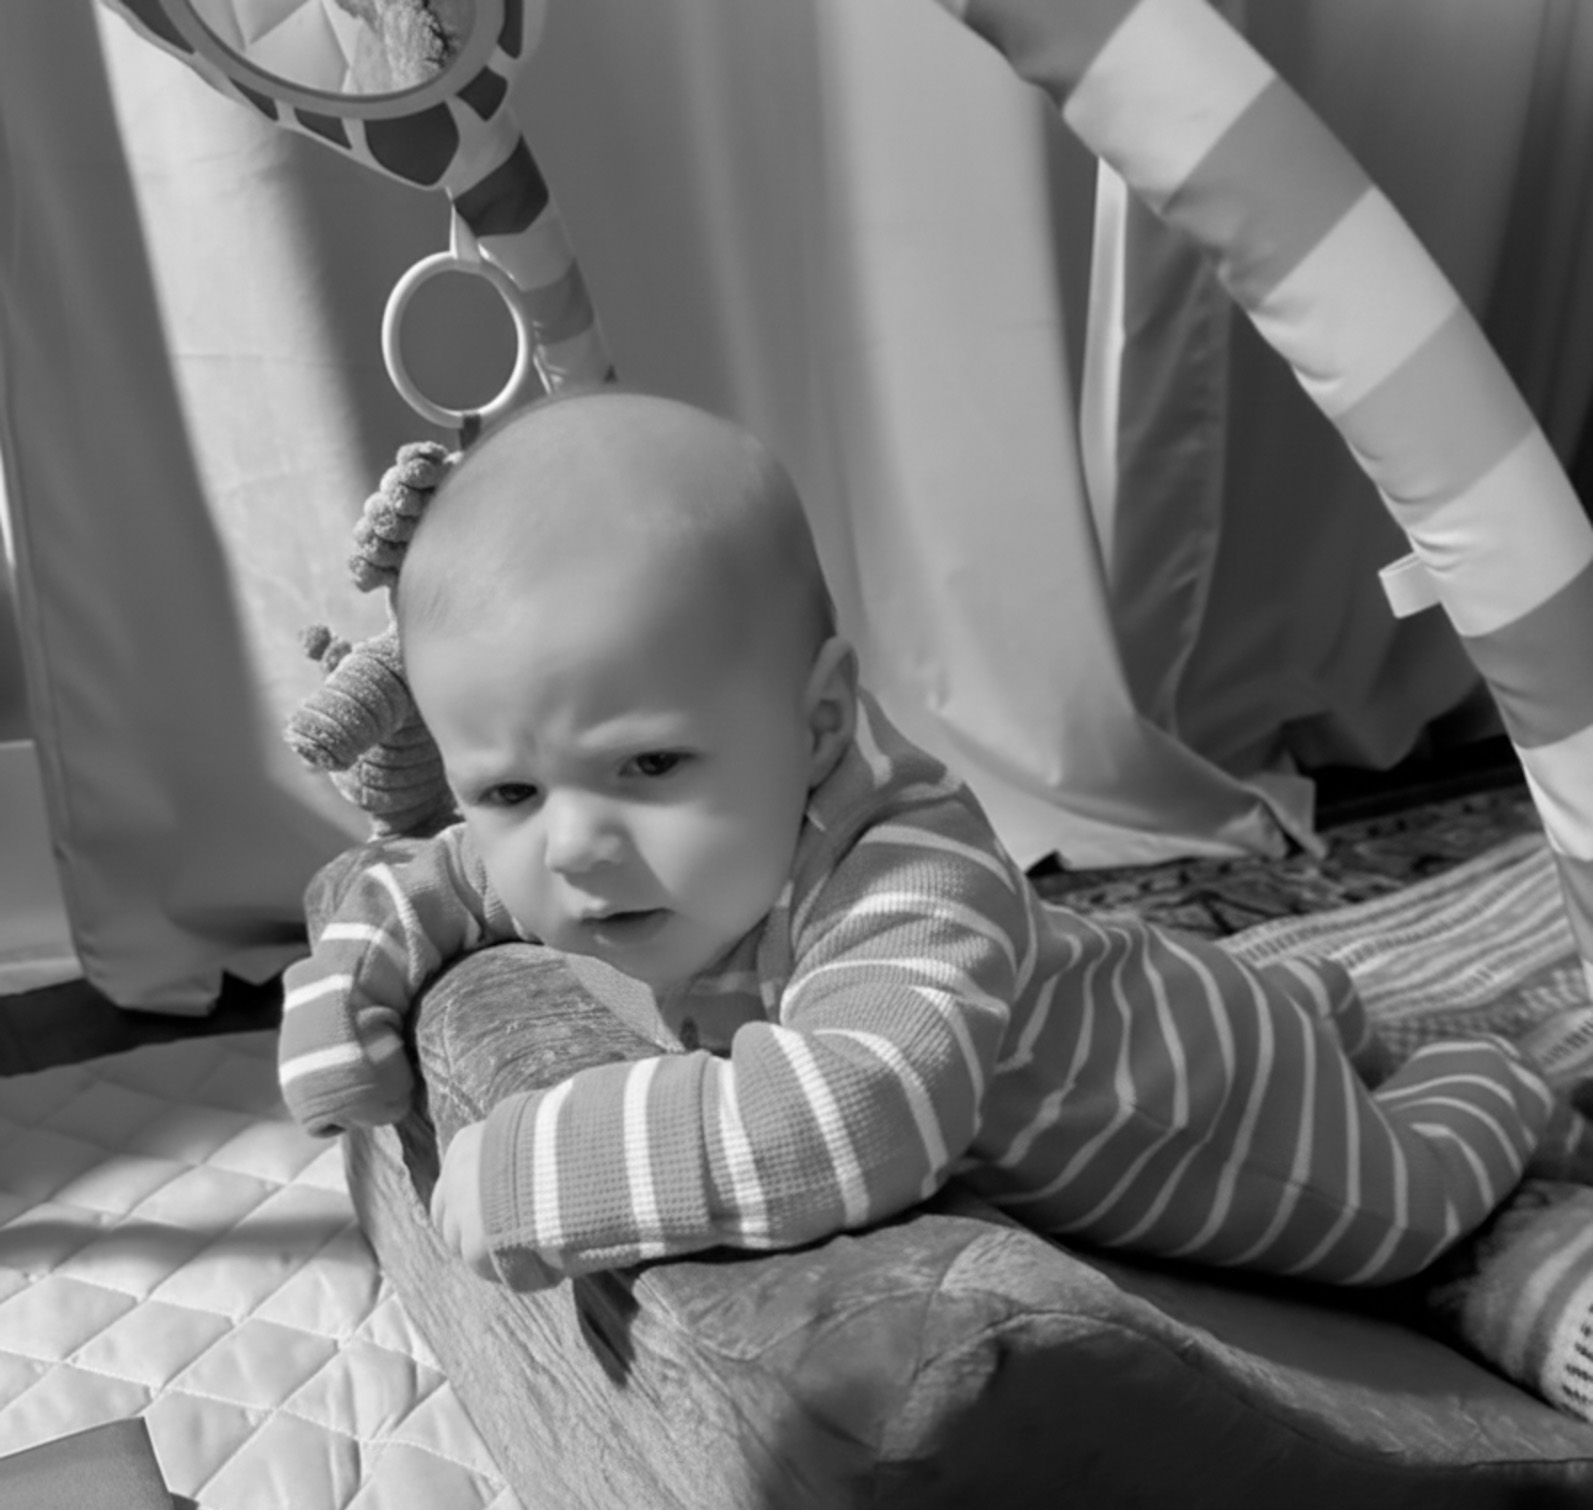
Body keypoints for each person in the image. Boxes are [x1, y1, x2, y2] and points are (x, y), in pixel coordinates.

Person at [279, 390, 1589, 1292]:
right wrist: (356, 975)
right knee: (1138, 986)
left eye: (649, 766)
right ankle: (1314, 1005)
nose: (571, 852)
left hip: (1227, 1127)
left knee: (1407, 1222)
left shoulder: (906, 875)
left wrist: (536, 1153)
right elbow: (449, 868)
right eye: (511, 791)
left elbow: (861, 1115)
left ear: (821, 719)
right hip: (1111, 996)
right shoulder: (655, 840)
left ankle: (1485, 1077)